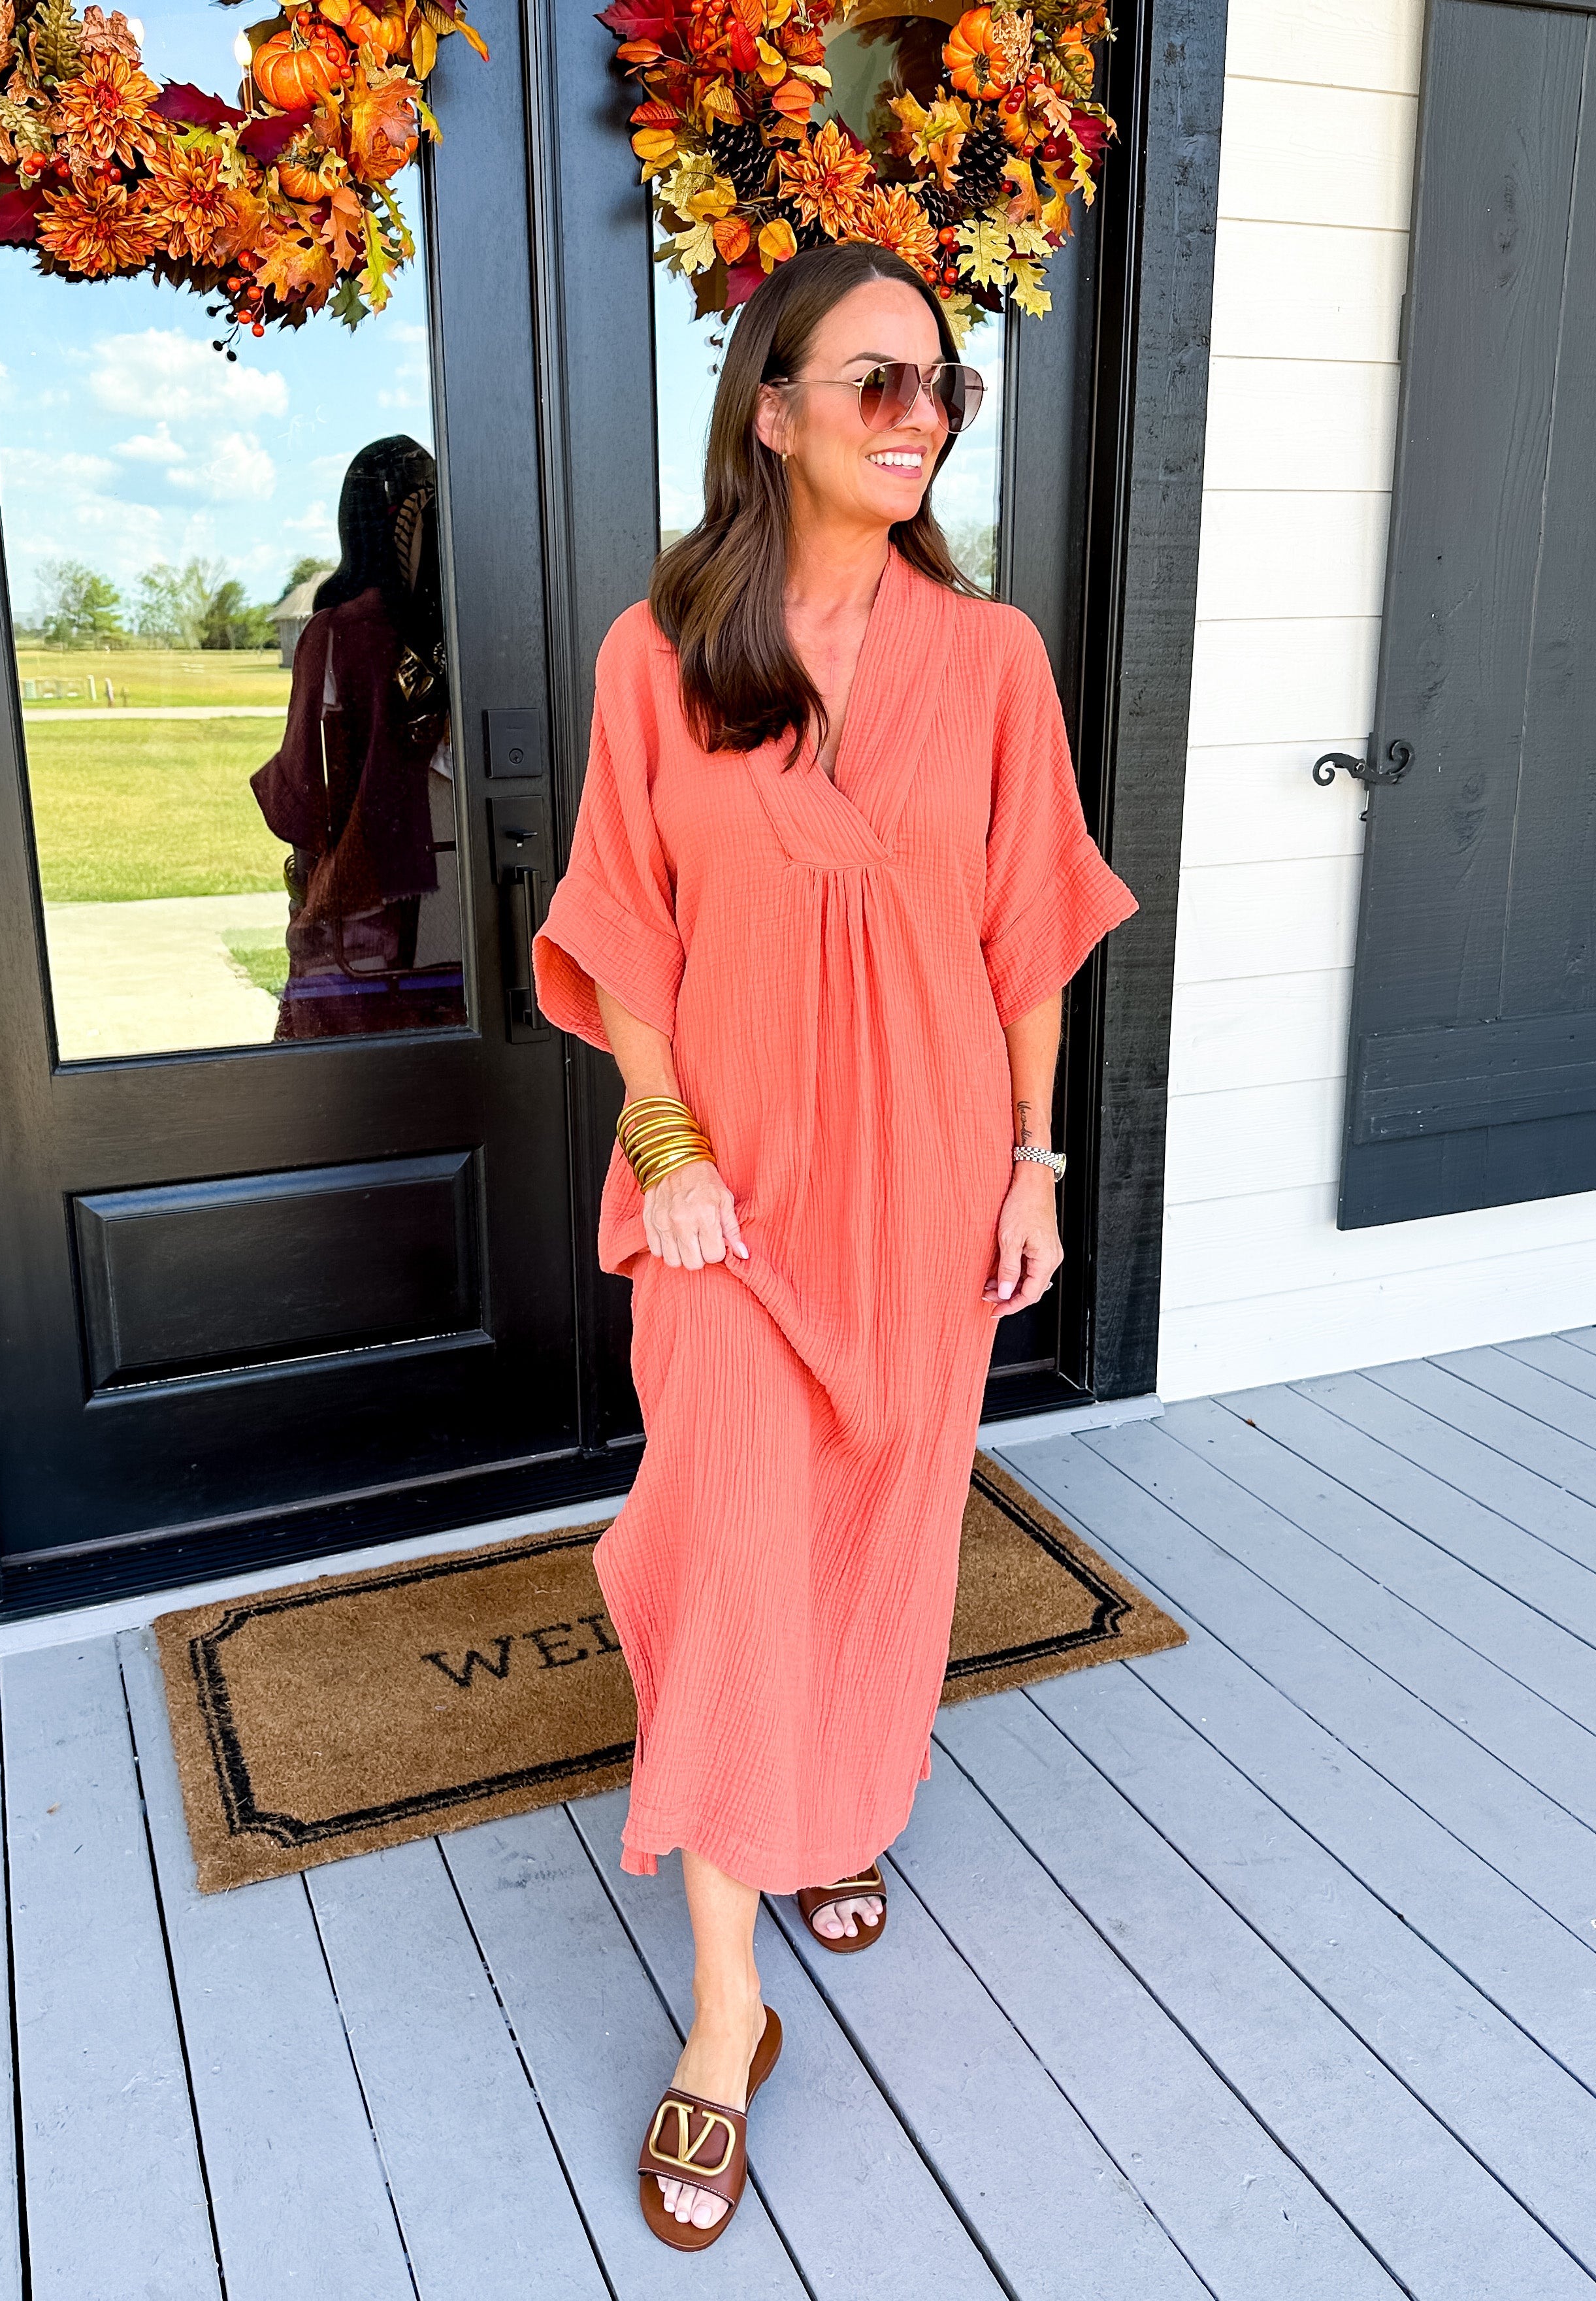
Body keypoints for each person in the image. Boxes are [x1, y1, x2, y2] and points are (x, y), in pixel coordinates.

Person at [530, 242, 1137, 2251]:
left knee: (884, 1522)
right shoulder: (658, 657)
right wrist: (668, 1142)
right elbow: (622, 929)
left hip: (930, 1179)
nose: (918, 414)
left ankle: (838, 1810)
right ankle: (727, 2017)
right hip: (729, 1191)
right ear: (771, 407)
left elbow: (1026, 932)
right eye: (875, 380)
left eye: (941, 384)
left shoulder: (995, 657)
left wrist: (1031, 1163)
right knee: (727, 1555)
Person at [251, 435, 464, 1039]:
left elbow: (303, 788)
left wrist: (306, 877)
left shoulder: (336, 631)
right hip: (466, 876)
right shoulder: (480, 626)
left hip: (367, 883)